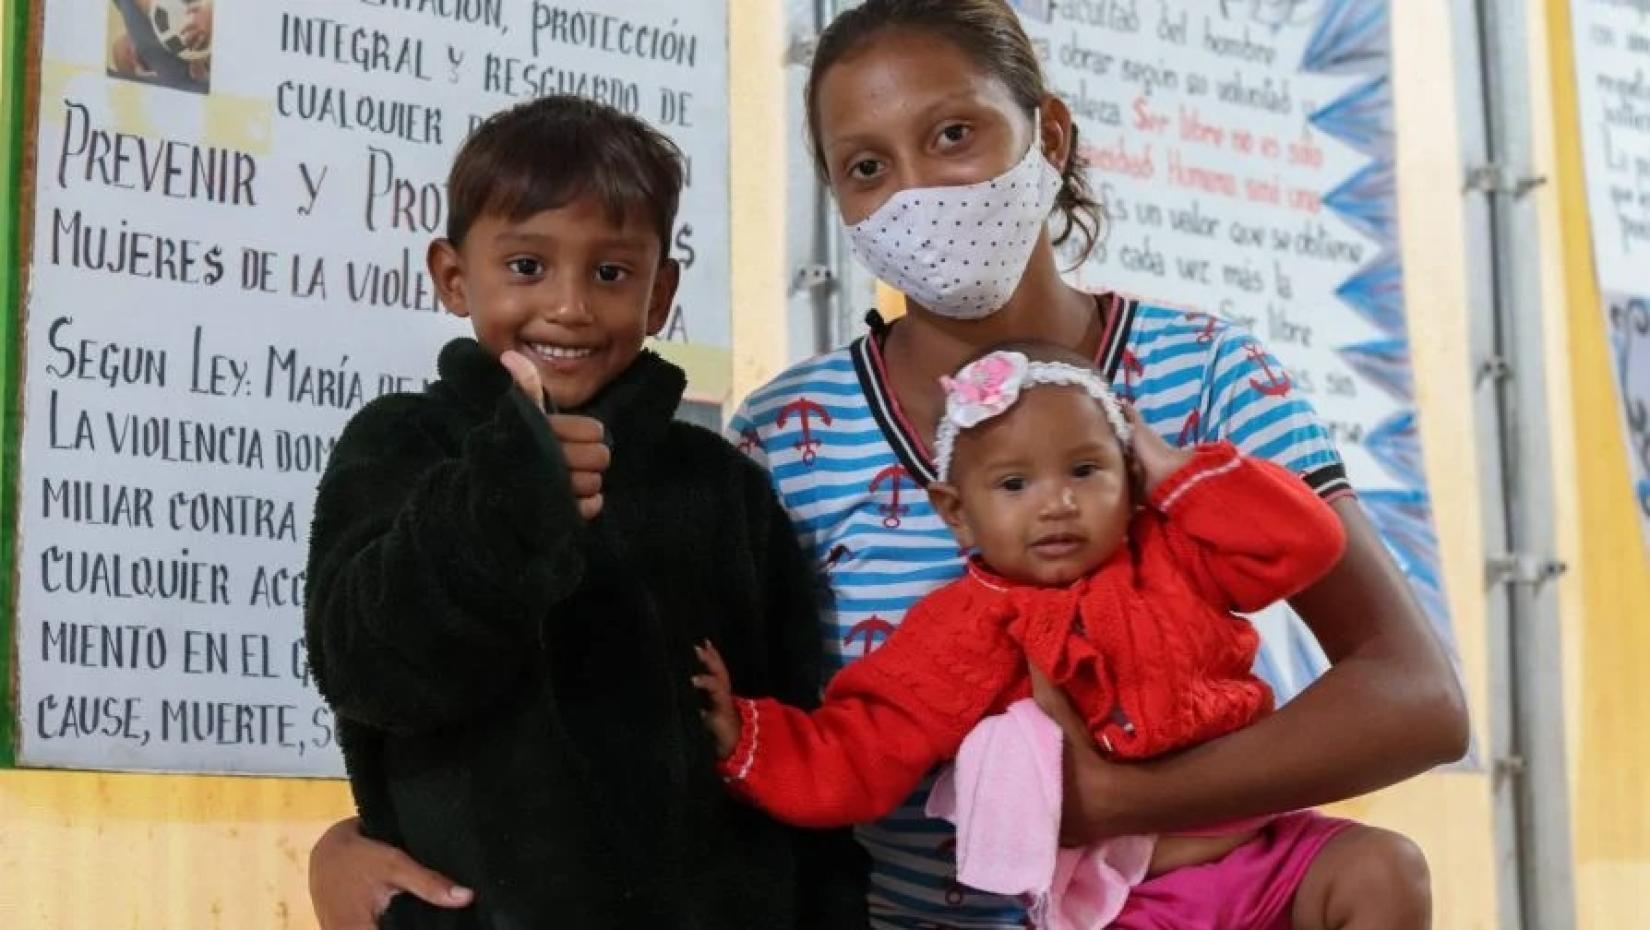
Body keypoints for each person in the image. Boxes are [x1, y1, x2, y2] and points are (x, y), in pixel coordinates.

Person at [306, 2, 1469, 926]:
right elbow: (667, 733)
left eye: (953, 133)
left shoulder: (1203, 378)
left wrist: (1120, 803)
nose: (916, 187)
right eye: (865, 167)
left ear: (1046, 139)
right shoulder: (785, 436)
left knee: (1379, 874)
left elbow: (1417, 699)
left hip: (1194, 898)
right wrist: (358, 831)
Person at [303, 94, 866, 929]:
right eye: (527, 266)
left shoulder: (722, 489)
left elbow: (795, 739)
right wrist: (498, 506)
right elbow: (366, 672)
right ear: (454, 277)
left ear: (661, 292)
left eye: (610, 272)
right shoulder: (403, 446)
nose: (568, 306)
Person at [695, 343, 1428, 927]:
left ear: (1129, 475)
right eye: (1015, 485)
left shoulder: (1176, 552)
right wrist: (752, 740)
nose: (1057, 505)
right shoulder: (966, 626)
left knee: (1388, 868)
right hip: (1131, 901)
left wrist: (1178, 475)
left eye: (1085, 470)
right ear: (956, 511)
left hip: (1274, 853)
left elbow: (1302, 545)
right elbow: (867, 740)